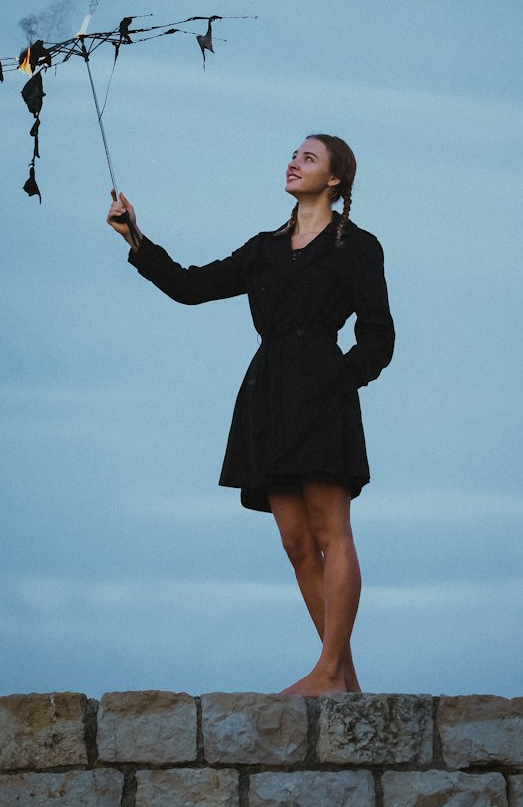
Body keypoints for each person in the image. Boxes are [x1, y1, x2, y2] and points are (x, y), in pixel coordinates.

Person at [106, 135, 395, 695]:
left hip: (323, 389)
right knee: (294, 541)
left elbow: (379, 335)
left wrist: (339, 381)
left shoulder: (358, 246)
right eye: (293, 154)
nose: (293, 161)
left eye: (308, 158)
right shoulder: (264, 248)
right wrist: (135, 238)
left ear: (335, 179)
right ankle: (343, 679)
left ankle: (329, 672)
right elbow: (190, 287)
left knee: (332, 532)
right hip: (267, 396)